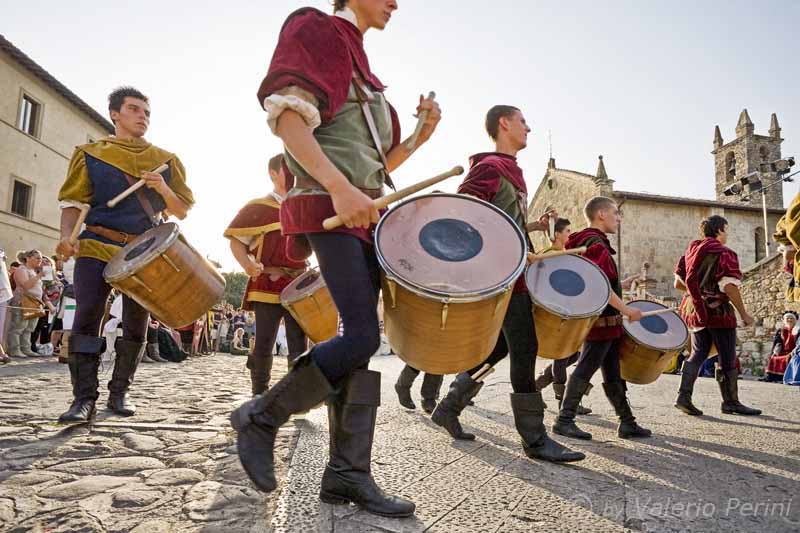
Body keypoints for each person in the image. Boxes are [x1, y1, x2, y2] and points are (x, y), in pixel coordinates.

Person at [230, 0, 441, 518]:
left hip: (360, 215)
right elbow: (286, 122)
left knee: (360, 345)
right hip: (328, 209)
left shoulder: (364, 67)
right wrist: (338, 187)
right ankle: (262, 414)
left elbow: (374, 166)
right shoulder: (316, 27)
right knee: (361, 336)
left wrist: (417, 136)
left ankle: (346, 474)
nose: (396, 3)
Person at [430, 105, 584, 464]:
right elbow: (464, 217)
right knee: (525, 346)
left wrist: (527, 236)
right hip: (500, 278)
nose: (528, 127)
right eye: (522, 121)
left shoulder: (512, 171)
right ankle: (535, 440)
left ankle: (449, 405)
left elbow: (503, 220)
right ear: (504, 124)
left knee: (500, 348)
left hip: (516, 275)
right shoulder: (489, 167)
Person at [55, 86, 194, 423]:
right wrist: (65, 236)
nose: (142, 116)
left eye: (146, 112)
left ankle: (120, 391)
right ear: (115, 114)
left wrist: (161, 188)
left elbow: (182, 209)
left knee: (136, 321)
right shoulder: (90, 153)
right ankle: (83, 398)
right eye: (134, 109)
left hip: (145, 250)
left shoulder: (166, 161)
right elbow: (73, 204)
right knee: (87, 313)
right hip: (97, 243)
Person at [552, 197, 649, 441]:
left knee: (612, 372)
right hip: (601, 321)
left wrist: (621, 286)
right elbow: (599, 287)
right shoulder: (595, 244)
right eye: (616, 213)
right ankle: (564, 420)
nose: (619, 218)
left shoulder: (588, 243)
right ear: (601, 215)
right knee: (586, 367)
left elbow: (601, 281)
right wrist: (627, 311)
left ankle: (627, 422)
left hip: (603, 322)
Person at [226, 162, 309, 393]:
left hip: (299, 283)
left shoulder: (304, 207)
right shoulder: (259, 207)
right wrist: (248, 265)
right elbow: (237, 243)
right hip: (267, 282)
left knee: (298, 342)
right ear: (273, 174)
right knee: (264, 340)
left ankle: (297, 394)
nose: (294, 172)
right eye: (287, 168)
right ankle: (259, 393)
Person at [673, 215, 761, 416]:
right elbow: (729, 287)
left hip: (694, 309)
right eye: (726, 230)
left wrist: (700, 295)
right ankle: (730, 402)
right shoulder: (724, 253)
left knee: (698, 352)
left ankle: (683, 396)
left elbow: (678, 284)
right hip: (718, 312)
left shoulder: (690, 252)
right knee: (727, 355)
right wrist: (744, 314)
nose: (727, 234)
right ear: (720, 230)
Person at [534, 218, 592, 415]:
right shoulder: (548, 255)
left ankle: (537, 385)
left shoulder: (566, 256)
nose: (569, 234)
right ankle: (563, 402)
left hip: (569, 310)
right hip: (554, 312)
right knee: (562, 354)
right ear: (557, 234)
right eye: (567, 231)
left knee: (573, 353)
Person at [7, 250, 48, 358]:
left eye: (40, 258)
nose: (40, 260)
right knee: (19, 326)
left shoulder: (33, 271)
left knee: (29, 328)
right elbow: (26, 285)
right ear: (28, 258)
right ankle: (14, 349)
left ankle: (26, 348)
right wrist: (39, 275)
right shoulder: (22, 270)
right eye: (37, 258)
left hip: (34, 302)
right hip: (22, 300)